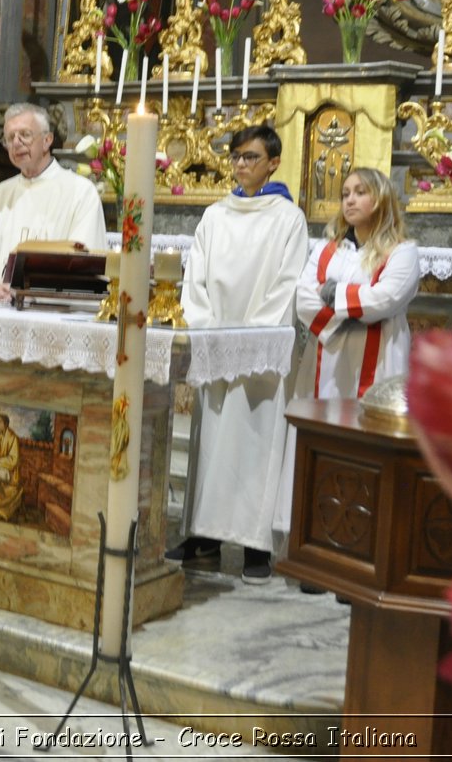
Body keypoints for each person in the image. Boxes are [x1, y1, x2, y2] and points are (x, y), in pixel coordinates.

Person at [168, 124, 308, 582]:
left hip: (258, 354)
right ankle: (203, 536)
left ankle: (254, 548)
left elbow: (287, 284)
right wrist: (209, 329)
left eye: (251, 157)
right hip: (216, 343)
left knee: (254, 444)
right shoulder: (215, 215)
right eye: (236, 157)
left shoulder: (289, 218)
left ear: (273, 162)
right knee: (209, 445)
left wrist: (253, 339)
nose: (241, 165)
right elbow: (196, 280)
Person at [0, 103, 108, 300]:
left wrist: (30, 291)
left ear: (47, 140)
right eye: (10, 138)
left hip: (50, 313)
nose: (16, 143)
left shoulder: (81, 193)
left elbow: (83, 262)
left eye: (25, 135)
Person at [296, 167, 420, 399]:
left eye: (360, 192)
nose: (350, 200)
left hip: (380, 358)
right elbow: (303, 299)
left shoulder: (402, 252)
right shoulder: (326, 249)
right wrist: (357, 307)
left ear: (381, 198)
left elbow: (385, 299)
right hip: (325, 359)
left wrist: (331, 293)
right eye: (345, 194)